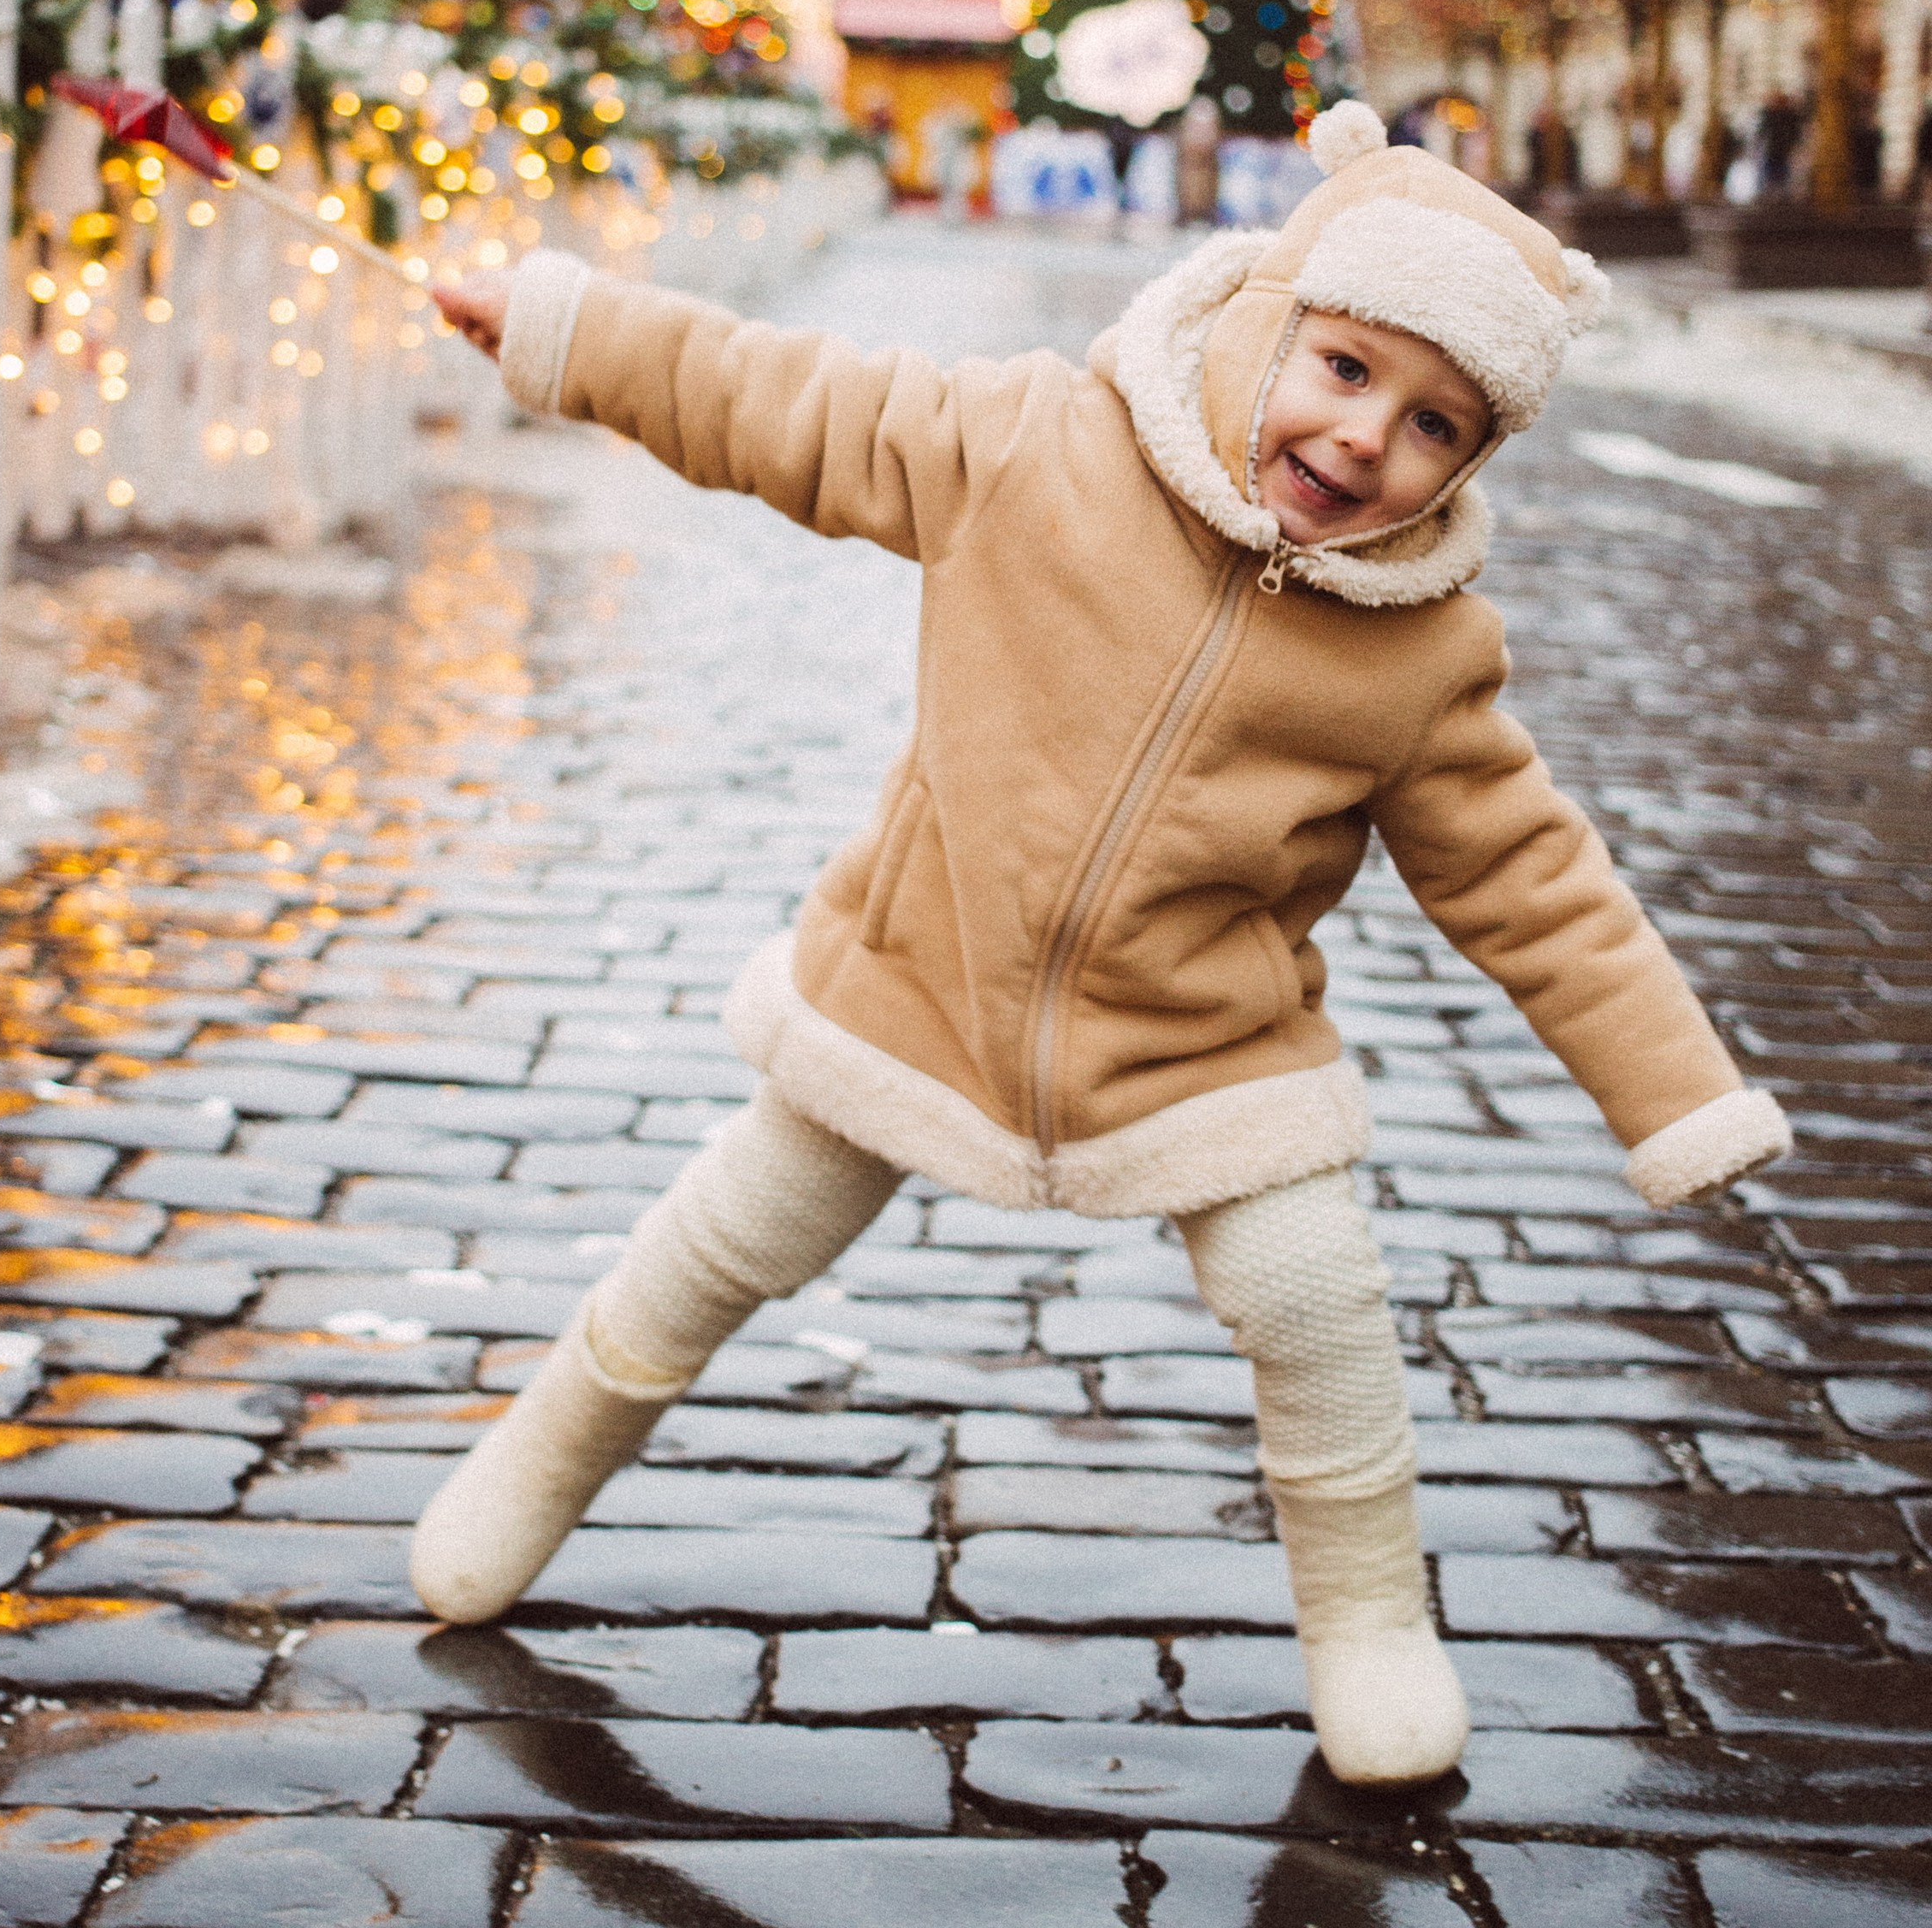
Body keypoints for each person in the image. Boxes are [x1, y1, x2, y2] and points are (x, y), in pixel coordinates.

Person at [412, 99, 1790, 1788]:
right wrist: (570, 331)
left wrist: (1676, 1096)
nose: (1366, 443)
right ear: (1274, 321)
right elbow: (790, 405)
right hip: (921, 977)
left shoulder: (1423, 656)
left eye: (1435, 426)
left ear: (1472, 463)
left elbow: (1537, 881)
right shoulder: (1037, 442)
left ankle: (1369, 1623)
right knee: (734, 1231)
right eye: (1345, 371)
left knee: (1315, 1295)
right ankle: (543, 1459)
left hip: (1209, 1047)